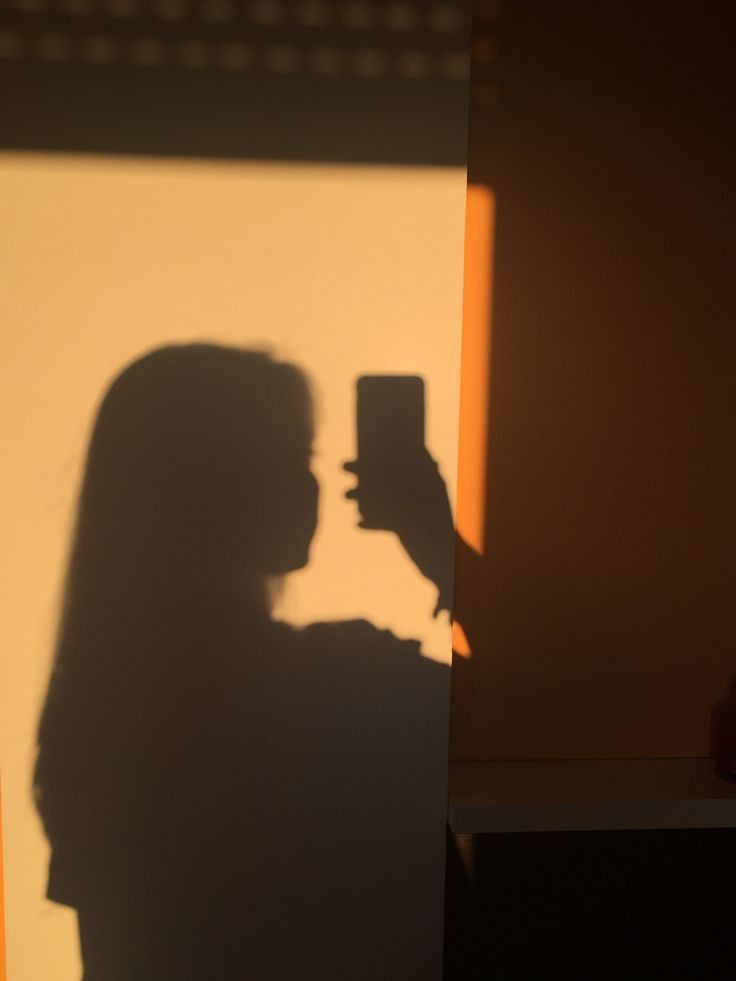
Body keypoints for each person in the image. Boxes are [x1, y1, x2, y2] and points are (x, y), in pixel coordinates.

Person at [34, 343, 459, 980]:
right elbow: (544, 725)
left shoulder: (92, 720)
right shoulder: (350, 689)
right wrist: (440, 550)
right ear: (201, 491)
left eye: (305, 457)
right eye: (285, 458)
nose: (309, 484)